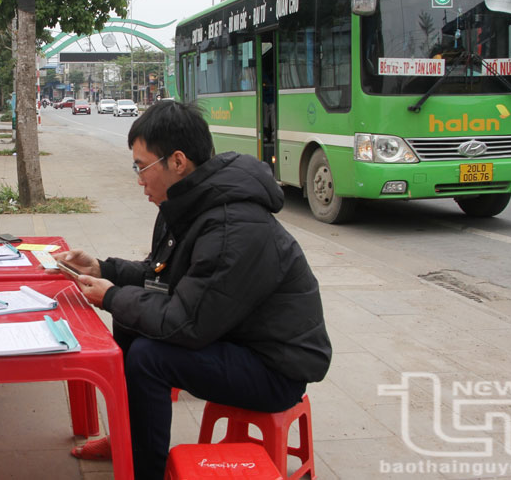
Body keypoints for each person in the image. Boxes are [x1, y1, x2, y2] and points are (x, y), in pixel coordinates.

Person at [55, 100, 332, 480]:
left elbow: (187, 324)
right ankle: (131, 438)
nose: (139, 179)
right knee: (133, 322)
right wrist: (105, 270)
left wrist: (112, 296)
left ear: (178, 162)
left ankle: (142, 468)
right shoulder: (189, 204)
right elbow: (159, 275)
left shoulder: (231, 226)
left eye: (142, 167)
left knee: (149, 356)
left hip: (274, 366)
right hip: (234, 335)